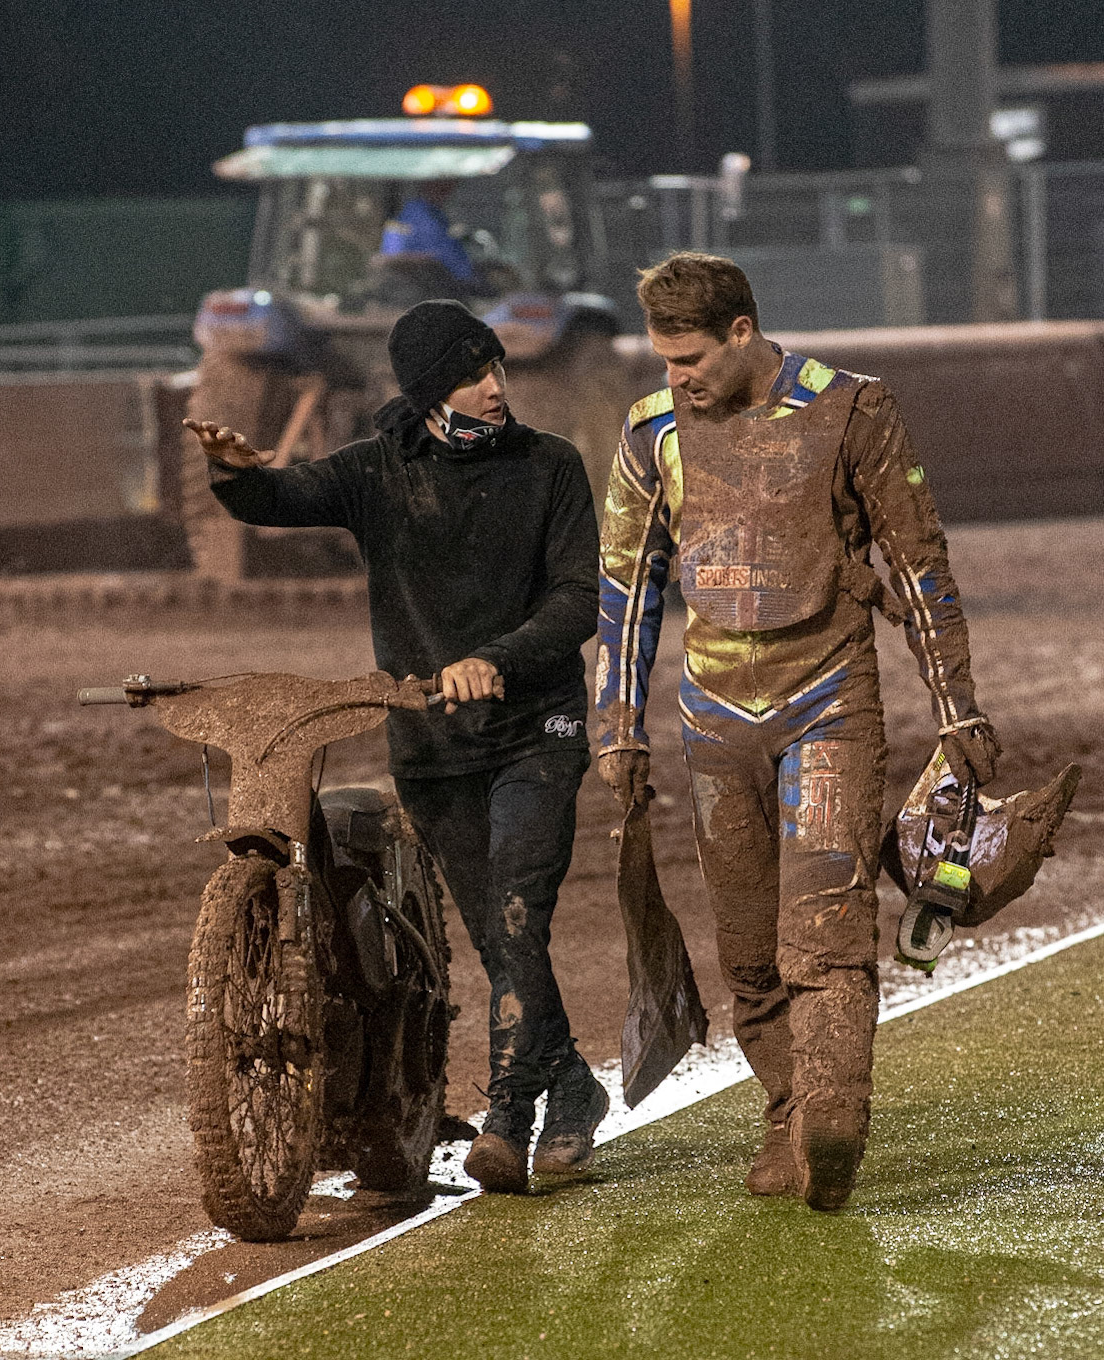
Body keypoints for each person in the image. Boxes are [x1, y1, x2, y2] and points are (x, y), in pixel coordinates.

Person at [595, 253, 1001, 1212]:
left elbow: (914, 562)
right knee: (747, 949)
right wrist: (617, 727)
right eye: (661, 360)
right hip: (710, 722)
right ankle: (785, 1107)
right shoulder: (652, 430)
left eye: (688, 357)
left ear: (742, 332)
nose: (674, 376)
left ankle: (831, 1118)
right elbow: (625, 589)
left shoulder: (851, 408)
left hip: (829, 701)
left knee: (822, 934)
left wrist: (957, 704)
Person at [184, 299, 607, 1194]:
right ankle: (573, 1090)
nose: (493, 388)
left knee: (520, 914)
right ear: (425, 396)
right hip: (432, 746)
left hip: (537, 731)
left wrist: (494, 659)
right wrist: (231, 472)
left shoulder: (551, 467)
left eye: (495, 368)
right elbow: (280, 496)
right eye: (469, 375)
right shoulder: (378, 472)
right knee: (499, 937)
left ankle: (509, 1113)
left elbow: (577, 602)